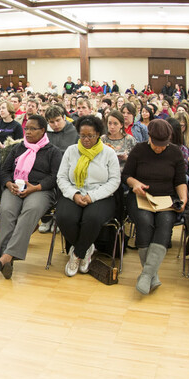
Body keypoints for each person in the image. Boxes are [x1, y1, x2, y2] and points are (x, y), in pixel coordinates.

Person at [122, 120, 188, 295]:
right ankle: (151, 274)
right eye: (156, 145)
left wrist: (183, 199)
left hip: (166, 198)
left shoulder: (175, 153)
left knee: (165, 221)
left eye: (163, 145)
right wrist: (135, 183)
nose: (159, 148)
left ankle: (146, 274)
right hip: (141, 197)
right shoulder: (139, 150)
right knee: (144, 221)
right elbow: (126, 175)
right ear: (149, 137)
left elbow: (180, 180)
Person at [0, 114, 63, 278]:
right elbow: (4, 170)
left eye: (33, 129)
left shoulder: (52, 151)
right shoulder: (18, 148)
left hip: (41, 189)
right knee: (7, 210)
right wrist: (9, 184)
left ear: (43, 131)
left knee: (30, 210)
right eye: (26, 128)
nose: (28, 132)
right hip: (16, 187)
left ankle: (5, 257)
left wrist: (36, 187)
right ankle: (7, 260)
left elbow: (55, 177)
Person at [55, 115, 121, 276]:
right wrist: (74, 194)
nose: (86, 139)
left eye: (90, 136)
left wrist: (93, 196)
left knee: (92, 218)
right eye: (82, 135)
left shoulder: (108, 153)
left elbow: (114, 181)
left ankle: (78, 254)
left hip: (101, 195)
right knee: (64, 217)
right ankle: (86, 248)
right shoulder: (71, 151)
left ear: (98, 134)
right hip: (74, 192)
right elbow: (61, 178)